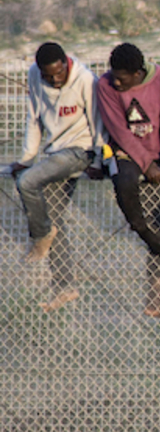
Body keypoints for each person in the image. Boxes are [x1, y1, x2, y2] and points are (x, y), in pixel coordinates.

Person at [10, 42, 104, 312]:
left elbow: (98, 121)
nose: (54, 80)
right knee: (53, 217)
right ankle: (65, 286)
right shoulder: (34, 74)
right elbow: (34, 116)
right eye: (48, 75)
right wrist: (27, 157)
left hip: (80, 150)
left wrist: (99, 160)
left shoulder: (85, 79)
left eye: (59, 73)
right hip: (54, 152)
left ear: (66, 62)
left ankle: (40, 236)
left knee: (27, 182)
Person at [97, 43, 160, 322]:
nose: (117, 82)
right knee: (125, 183)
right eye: (114, 76)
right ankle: (141, 229)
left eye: (122, 78)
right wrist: (146, 164)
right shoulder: (105, 85)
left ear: (138, 73)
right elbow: (119, 131)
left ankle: (155, 298)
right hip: (124, 152)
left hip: (156, 156)